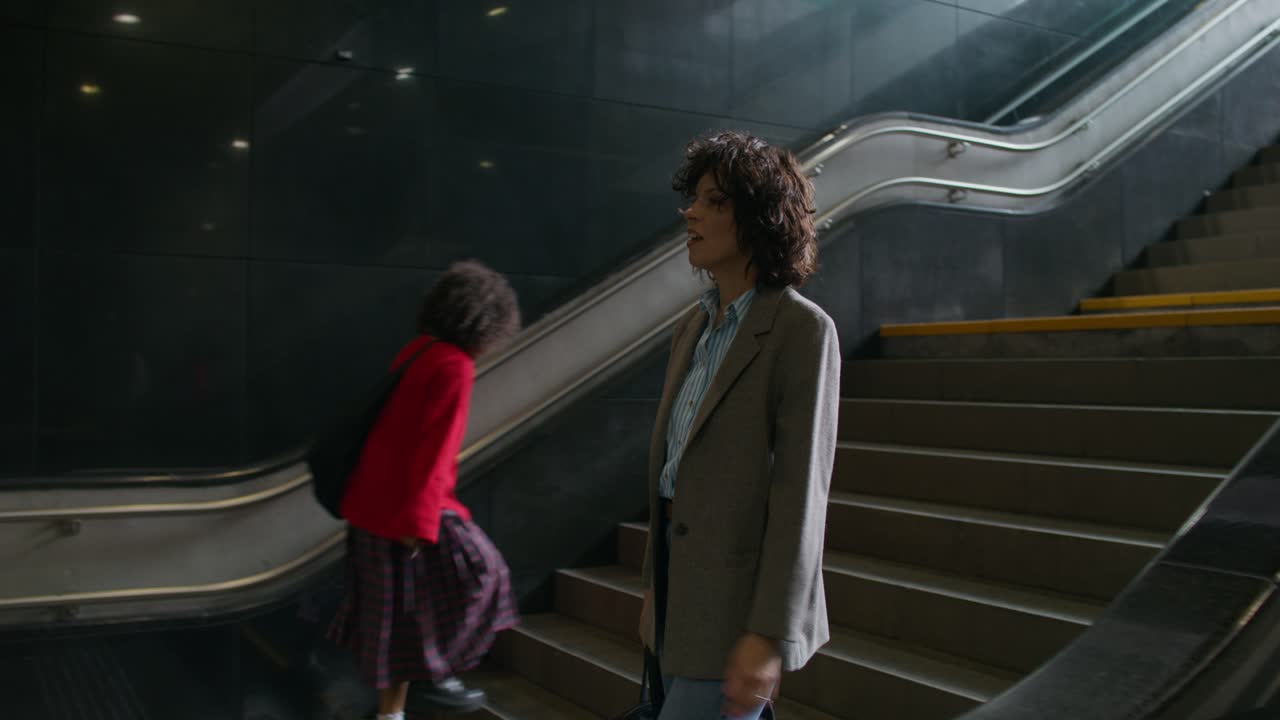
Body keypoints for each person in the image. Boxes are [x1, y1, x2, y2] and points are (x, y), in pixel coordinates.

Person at [637, 132, 840, 720]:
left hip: (737, 606)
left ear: (760, 219)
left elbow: (802, 494)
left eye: (714, 202)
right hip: (680, 595)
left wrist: (770, 632)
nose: (690, 213)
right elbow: (673, 470)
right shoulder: (691, 329)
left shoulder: (801, 332)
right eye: (694, 199)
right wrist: (656, 585)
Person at [329, 260, 522, 720]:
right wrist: (419, 526)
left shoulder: (417, 351)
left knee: (396, 621)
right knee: (487, 576)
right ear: (487, 322)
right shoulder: (454, 366)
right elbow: (434, 453)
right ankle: (436, 677)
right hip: (408, 511)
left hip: (369, 508)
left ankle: (395, 710)